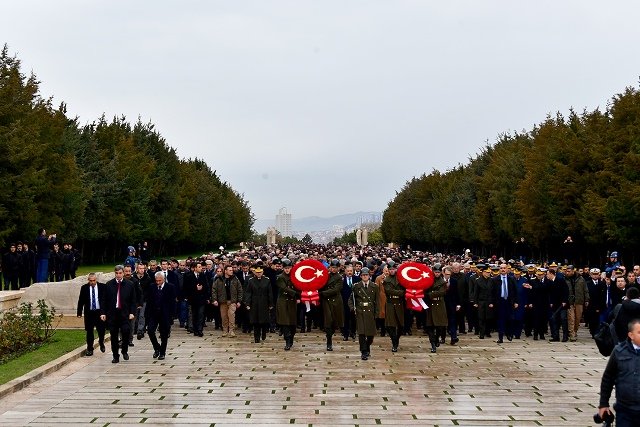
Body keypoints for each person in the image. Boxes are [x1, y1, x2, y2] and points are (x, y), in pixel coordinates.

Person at [598, 318, 640, 425]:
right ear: (631, 335)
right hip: (625, 410)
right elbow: (608, 378)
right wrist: (603, 404)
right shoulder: (619, 351)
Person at [102, 265, 137, 363]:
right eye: (116, 273)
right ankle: (115, 356)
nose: (118, 275)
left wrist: (132, 312)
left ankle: (124, 350)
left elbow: (133, 300)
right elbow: (104, 300)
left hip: (124, 313)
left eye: (120, 273)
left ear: (123, 273)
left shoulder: (129, 284)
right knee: (113, 335)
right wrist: (103, 313)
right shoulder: (109, 284)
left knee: (126, 332)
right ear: (115, 273)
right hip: (113, 314)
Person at [347, 267, 378, 360]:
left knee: (370, 334)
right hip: (360, 311)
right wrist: (353, 308)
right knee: (361, 333)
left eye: (366, 275)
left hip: (370, 311)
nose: (365, 277)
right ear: (360, 276)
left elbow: (377, 301)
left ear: (369, 276)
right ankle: (363, 351)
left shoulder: (374, 286)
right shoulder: (356, 286)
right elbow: (351, 299)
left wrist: (377, 313)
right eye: (363, 275)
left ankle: (367, 346)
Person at [146, 272, 177, 360]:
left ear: (163, 279)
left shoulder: (170, 287)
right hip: (153, 313)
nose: (158, 282)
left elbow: (173, 302)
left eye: (160, 280)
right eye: (156, 281)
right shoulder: (152, 287)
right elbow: (149, 301)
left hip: (165, 314)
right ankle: (157, 347)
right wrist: (147, 314)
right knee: (150, 331)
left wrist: (172, 315)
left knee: (164, 334)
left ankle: (162, 352)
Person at [76, 273, 106, 356]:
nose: (92, 282)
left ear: (96, 280)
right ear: (88, 280)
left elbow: (105, 300)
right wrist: (79, 312)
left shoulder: (102, 287)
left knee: (101, 330)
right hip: (89, 313)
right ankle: (90, 348)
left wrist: (105, 312)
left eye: (94, 280)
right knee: (89, 331)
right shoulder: (84, 288)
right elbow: (81, 301)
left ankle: (101, 342)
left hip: (99, 312)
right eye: (90, 281)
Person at [319, 259, 345, 351]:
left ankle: (331, 334)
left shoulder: (339, 277)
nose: (333, 269)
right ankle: (329, 341)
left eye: (335, 268)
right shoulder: (326, 276)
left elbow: (336, 289)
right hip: (327, 301)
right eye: (332, 267)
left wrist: (322, 293)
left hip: (336, 301)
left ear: (338, 268)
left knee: (335, 321)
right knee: (328, 321)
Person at [244, 265, 274, 343]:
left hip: (264, 302)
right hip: (254, 303)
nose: (258, 274)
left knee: (264, 320)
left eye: (260, 272)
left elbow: (270, 292)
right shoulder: (251, 280)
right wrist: (247, 303)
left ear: (262, 272)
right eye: (257, 272)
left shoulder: (267, 280)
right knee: (255, 321)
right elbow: (248, 293)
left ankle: (263, 333)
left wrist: (271, 303)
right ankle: (256, 337)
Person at [212, 265, 243, 337]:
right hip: (223, 301)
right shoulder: (219, 279)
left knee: (232, 315)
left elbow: (240, 290)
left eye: (232, 270)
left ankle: (231, 330)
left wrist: (239, 301)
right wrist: (214, 300)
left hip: (232, 301)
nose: (231, 271)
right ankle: (225, 330)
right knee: (224, 316)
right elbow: (214, 290)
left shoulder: (235, 279)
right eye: (230, 270)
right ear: (225, 271)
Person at [276, 259, 299, 350]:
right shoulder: (280, 277)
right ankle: (287, 341)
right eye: (285, 268)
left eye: (289, 268)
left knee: (293, 323)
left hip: (292, 301)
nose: (287, 270)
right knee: (285, 322)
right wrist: (296, 293)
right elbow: (284, 288)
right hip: (283, 301)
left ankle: (291, 338)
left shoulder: (295, 276)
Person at [492, 263, 517, 343]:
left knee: (510, 319)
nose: (503, 269)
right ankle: (500, 337)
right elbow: (492, 292)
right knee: (500, 320)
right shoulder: (495, 279)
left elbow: (515, 291)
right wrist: (492, 302)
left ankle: (509, 333)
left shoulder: (512, 279)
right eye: (501, 268)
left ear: (507, 269)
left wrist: (516, 301)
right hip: (500, 302)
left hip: (509, 302)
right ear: (499, 269)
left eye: (504, 268)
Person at [383, 260, 405, 352]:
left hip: (399, 303)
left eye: (393, 269)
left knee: (401, 325)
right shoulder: (386, 280)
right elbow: (388, 291)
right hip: (390, 303)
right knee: (390, 325)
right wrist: (401, 292)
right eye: (390, 269)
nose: (392, 271)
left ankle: (396, 339)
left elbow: (405, 288)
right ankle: (394, 342)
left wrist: (402, 293)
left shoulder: (400, 278)